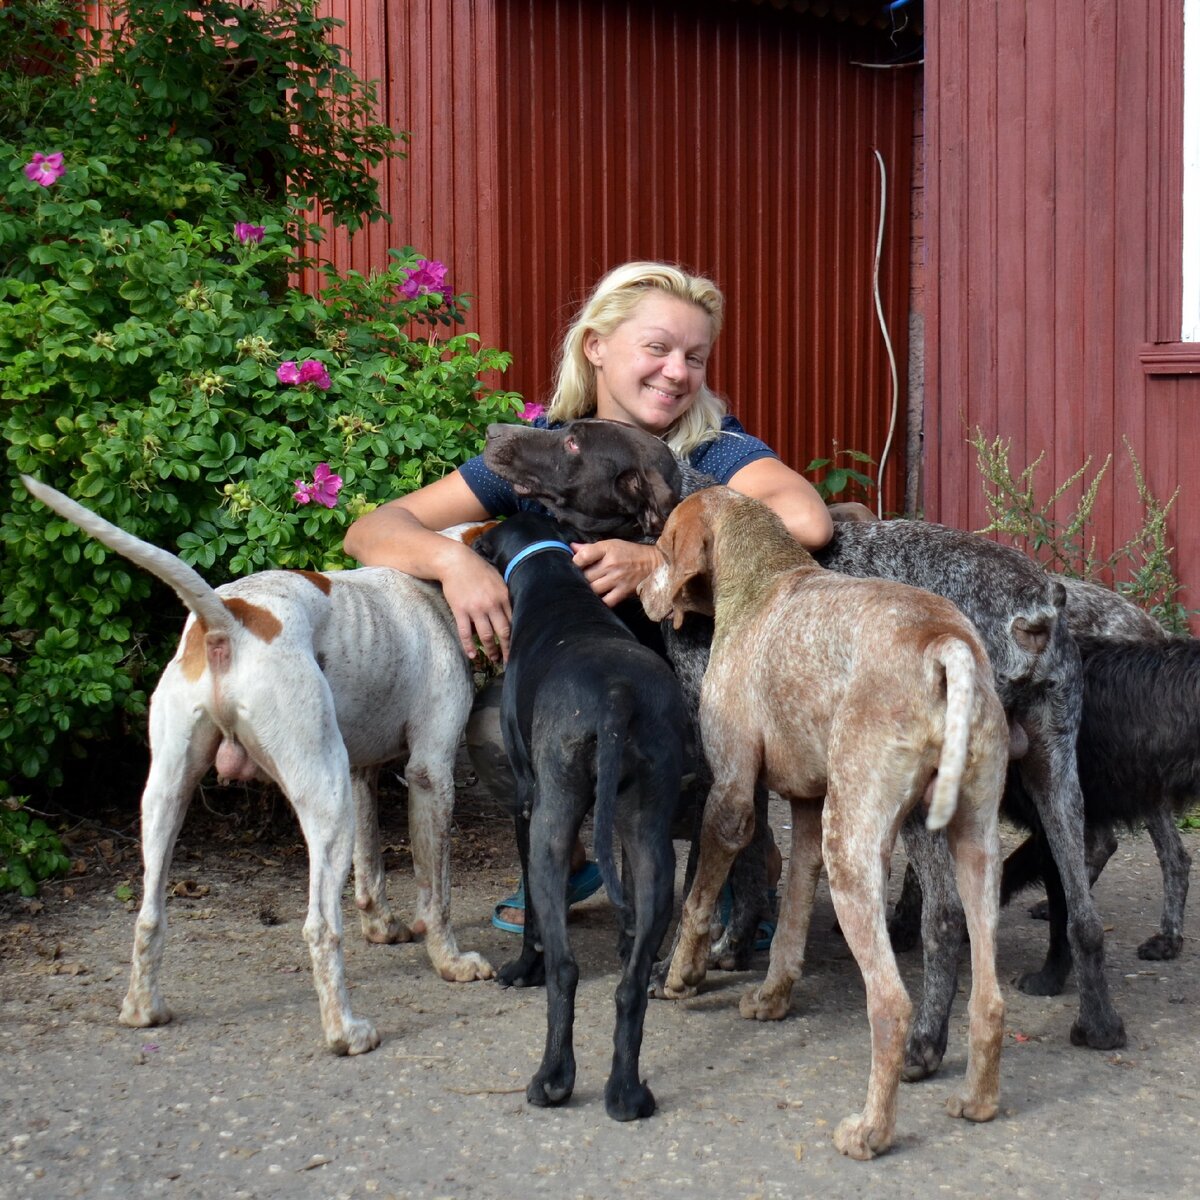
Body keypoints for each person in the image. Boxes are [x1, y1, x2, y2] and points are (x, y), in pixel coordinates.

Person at [344, 260, 833, 931]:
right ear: (596, 347)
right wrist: (451, 562)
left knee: (679, 736)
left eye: (694, 356)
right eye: (657, 348)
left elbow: (808, 519)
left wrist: (658, 559)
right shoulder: (546, 451)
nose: (676, 372)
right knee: (497, 725)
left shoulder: (711, 450)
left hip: (689, 703)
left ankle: (738, 857)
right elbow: (371, 529)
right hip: (580, 692)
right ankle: (568, 857)